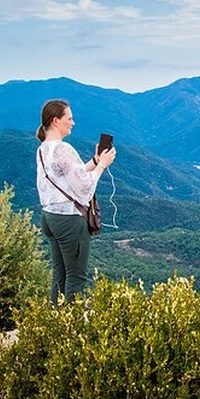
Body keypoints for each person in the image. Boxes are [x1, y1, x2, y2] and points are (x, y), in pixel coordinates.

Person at [36, 99, 116, 304]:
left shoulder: (43, 149)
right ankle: (73, 328)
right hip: (69, 220)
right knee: (76, 277)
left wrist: (96, 160)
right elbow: (84, 187)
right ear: (56, 121)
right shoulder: (64, 149)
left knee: (59, 274)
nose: (73, 123)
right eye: (69, 118)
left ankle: (55, 323)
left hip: (50, 217)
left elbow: (73, 174)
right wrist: (102, 167)